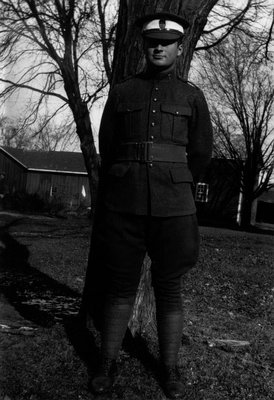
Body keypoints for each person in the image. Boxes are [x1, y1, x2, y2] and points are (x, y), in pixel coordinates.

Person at [82, 12, 213, 399]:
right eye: (153, 42)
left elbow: (201, 153)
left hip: (174, 207)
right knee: (120, 285)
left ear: (179, 47)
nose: (159, 47)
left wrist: (173, 178)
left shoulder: (192, 96)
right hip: (125, 204)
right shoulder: (123, 92)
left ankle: (170, 367)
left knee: (168, 286)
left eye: (167, 42)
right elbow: (108, 147)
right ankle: (107, 361)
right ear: (144, 46)